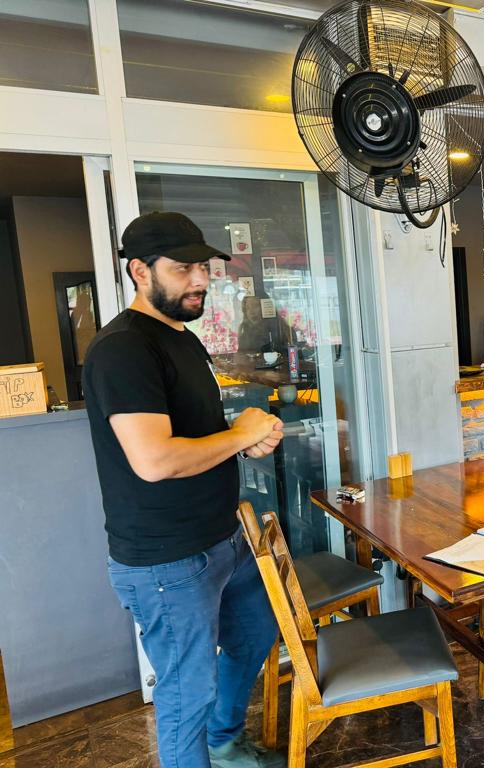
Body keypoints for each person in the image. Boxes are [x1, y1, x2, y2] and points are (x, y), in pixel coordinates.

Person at [83, 212, 287, 768]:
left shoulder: (182, 339)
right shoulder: (123, 348)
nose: (200, 280)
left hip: (222, 539)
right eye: (182, 269)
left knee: (254, 632)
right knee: (185, 695)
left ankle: (223, 744)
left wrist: (243, 440)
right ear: (140, 271)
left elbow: (194, 436)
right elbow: (154, 460)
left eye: (203, 267)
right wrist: (239, 435)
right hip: (167, 560)